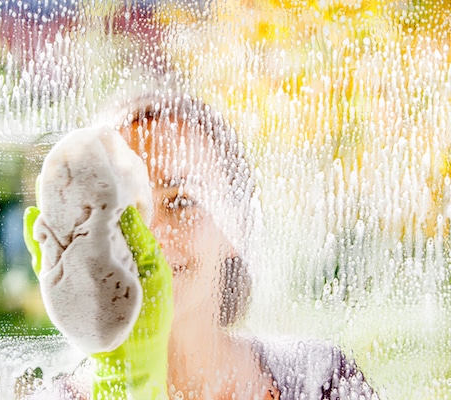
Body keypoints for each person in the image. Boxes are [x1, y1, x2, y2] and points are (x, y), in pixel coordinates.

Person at [24, 92, 377, 399]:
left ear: (237, 224)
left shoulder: (321, 381)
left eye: (181, 202)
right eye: (124, 210)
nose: (151, 234)